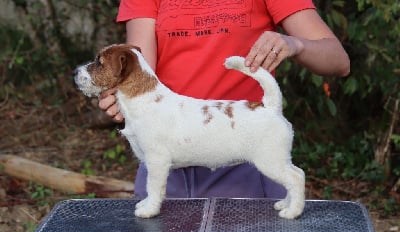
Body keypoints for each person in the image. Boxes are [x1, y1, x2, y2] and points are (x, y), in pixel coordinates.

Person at [99, 0, 350, 199]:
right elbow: (142, 72)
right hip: (166, 159)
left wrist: (295, 44)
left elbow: (338, 60)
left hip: (243, 156)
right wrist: (122, 96)